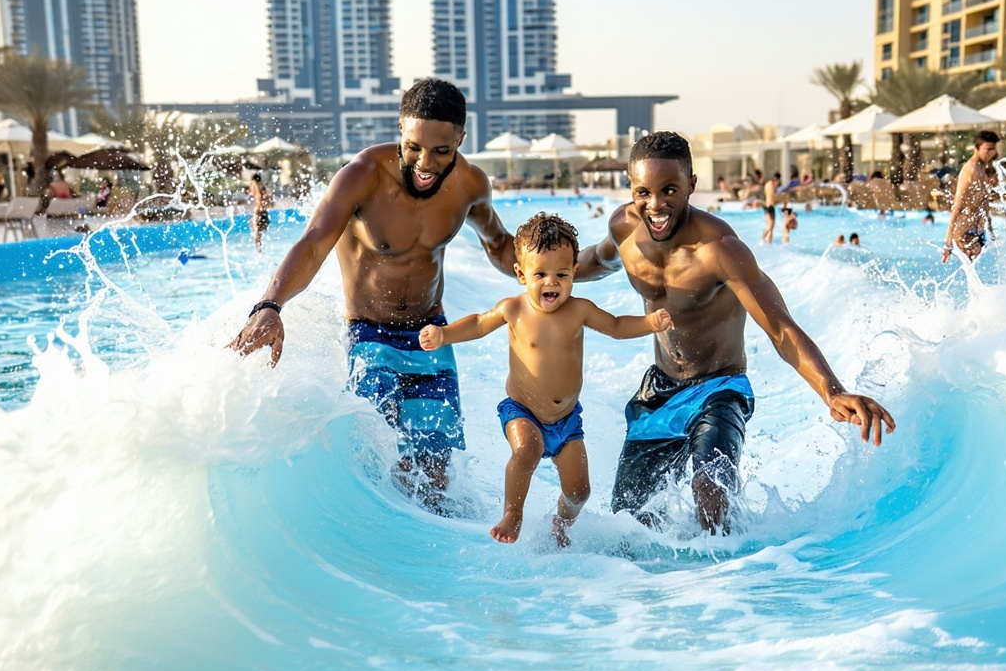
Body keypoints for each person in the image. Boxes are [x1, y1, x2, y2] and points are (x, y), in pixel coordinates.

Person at [575, 131, 895, 534]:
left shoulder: (721, 249)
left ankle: (727, 584)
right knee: (628, 521)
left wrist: (832, 391)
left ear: (692, 184)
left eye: (669, 190)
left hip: (719, 390)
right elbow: (596, 261)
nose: (655, 205)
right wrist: (545, 274)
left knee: (710, 492)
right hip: (659, 392)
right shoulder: (624, 226)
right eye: (643, 192)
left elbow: (780, 329)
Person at [227, 78, 516, 512]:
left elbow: (500, 246)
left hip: (432, 336)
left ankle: (422, 566)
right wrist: (270, 304)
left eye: (442, 151)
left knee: (433, 471)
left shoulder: (470, 185)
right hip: (370, 334)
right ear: (401, 129)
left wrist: (568, 270)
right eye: (414, 146)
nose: (425, 163)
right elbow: (313, 243)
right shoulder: (361, 176)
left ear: (460, 139)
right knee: (376, 458)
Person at [419, 214, 673, 546]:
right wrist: (444, 335)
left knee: (579, 491)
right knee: (528, 449)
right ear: (521, 273)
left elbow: (615, 325)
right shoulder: (514, 309)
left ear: (574, 273)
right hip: (522, 411)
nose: (551, 282)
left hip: (566, 420)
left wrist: (649, 322)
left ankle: (562, 522)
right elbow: (479, 323)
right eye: (540, 274)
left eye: (561, 274)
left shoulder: (579, 310)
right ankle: (513, 514)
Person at [942, 130, 998, 263]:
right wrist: (948, 242)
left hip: (977, 231)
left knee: (976, 275)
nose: (991, 153)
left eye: (993, 149)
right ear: (976, 148)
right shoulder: (971, 170)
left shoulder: (982, 168)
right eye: (987, 149)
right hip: (964, 232)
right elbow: (958, 204)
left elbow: (983, 203)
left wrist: (990, 230)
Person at [248, 173, 273, 252]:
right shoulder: (262, 191)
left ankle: (259, 252)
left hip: (259, 214)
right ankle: (259, 251)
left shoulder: (257, 190)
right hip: (263, 213)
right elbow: (271, 204)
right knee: (257, 235)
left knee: (257, 236)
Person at [761, 172, 779, 244]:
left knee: (770, 226)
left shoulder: (766, 185)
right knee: (770, 226)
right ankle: (763, 239)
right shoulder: (771, 184)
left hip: (766, 206)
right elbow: (772, 198)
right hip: (770, 206)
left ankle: (768, 242)